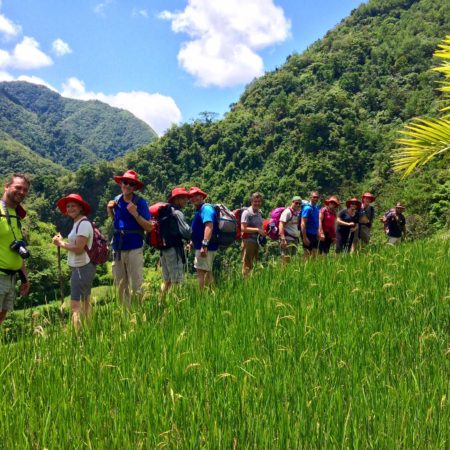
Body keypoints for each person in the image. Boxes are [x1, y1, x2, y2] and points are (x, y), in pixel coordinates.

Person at [107, 170, 152, 306]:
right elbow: (117, 222)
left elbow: (149, 227)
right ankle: (126, 318)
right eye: (125, 182)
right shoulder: (116, 200)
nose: (127, 186)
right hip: (119, 248)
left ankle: (139, 315)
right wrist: (110, 211)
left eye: (131, 184)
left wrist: (135, 214)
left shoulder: (140, 203)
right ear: (121, 184)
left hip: (134, 248)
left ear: (134, 187)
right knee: (121, 286)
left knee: (136, 285)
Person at [52, 194, 95, 330]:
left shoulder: (83, 224)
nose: (70, 208)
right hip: (81, 267)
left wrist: (60, 243)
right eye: (68, 206)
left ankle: (77, 338)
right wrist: (62, 241)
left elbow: (78, 248)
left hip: (81, 268)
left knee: (75, 305)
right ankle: (89, 331)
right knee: (85, 303)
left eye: (73, 206)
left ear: (80, 207)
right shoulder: (78, 223)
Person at [0, 174, 30, 326]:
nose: (22, 192)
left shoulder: (17, 215)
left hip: (11, 279)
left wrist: (24, 277)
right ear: (7, 186)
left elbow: (17, 247)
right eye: (18, 187)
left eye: (25, 190)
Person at [160, 187, 191, 294]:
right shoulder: (177, 213)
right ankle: (176, 307)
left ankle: (160, 304)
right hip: (175, 250)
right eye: (183, 198)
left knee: (167, 280)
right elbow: (186, 231)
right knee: (177, 281)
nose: (186, 201)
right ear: (176, 199)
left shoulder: (166, 212)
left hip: (163, 249)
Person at [189, 186, 218, 289]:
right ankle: (214, 297)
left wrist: (204, 244)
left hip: (206, 247)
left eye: (196, 195)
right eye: (191, 196)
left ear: (202, 197)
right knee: (207, 273)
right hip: (202, 246)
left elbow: (209, 226)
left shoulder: (206, 209)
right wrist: (193, 242)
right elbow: (199, 229)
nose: (194, 198)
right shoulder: (200, 210)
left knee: (201, 273)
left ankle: (201, 299)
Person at [240, 192, 266, 277]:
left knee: (254, 264)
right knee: (247, 264)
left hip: (256, 242)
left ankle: (253, 283)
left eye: (259, 201)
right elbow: (243, 228)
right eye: (255, 201)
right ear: (251, 201)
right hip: (248, 242)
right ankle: (246, 284)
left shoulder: (259, 212)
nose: (257, 203)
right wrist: (258, 230)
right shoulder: (246, 213)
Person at [279, 196, 302, 264]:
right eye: (296, 203)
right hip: (287, 239)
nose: (298, 205)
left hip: (294, 240)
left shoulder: (297, 213)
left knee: (291, 260)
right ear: (292, 202)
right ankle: (283, 274)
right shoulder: (287, 212)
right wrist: (283, 239)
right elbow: (281, 225)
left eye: (299, 204)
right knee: (285, 260)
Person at [301, 191, 320, 258]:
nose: (316, 199)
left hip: (314, 234)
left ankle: (312, 268)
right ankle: (304, 268)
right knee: (307, 254)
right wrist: (305, 237)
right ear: (310, 197)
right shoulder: (307, 208)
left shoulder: (316, 208)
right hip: (308, 233)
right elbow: (303, 223)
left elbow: (317, 221)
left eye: (317, 197)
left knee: (314, 254)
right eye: (314, 197)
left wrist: (318, 232)